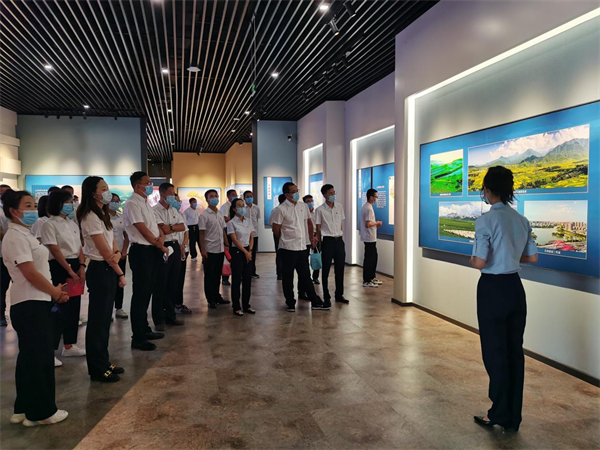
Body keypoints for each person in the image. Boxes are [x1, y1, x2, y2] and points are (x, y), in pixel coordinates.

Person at [470, 166, 538, 433]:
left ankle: (498, 412)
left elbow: (479, 262)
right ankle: (513, 417)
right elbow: (532, 257)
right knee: (514, 352)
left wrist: (473, 258)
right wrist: (508, 254)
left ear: (487, 190)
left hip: (492, 289)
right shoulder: (522, 220)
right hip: (515, 289)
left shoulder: (485, 221)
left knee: (494, 352)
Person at [2, 190, 69, 426]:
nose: (33, 209)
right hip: (30, 303)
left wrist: (51, 291)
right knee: (40, 359)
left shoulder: (24, 234)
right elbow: (30, 273)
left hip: (35, 301)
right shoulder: (15, 237)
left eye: (33, 205)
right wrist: (55, 293)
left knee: (29, 358)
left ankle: (24, 408)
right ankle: (42, 413)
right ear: (14, 211)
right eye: (27, 205)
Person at [78, 176, 127, 383]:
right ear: (93, 193)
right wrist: (120, 272)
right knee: (98, 321)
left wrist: (117, 254)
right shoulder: (89, 216)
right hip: (100, 269)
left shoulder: (102, 214)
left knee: (105, 320)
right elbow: (104, 250)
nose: (107, 192)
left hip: (108, 266)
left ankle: (104, 361)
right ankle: (97, 368)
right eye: (103, 189)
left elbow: (112, 242)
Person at [123, 172, 168, 351]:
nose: (150, 185)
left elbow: (157, 226)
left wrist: (161, 239)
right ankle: (138, 337)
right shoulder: (132, 204)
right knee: (140, 295)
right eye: (147, 183)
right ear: (138, 186)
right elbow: (141, 229)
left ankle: (145, 329)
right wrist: (158, 244)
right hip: (142, 252)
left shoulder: (145, 203)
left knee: (148, 291)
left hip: (152, 250)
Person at [41, 190, 86, 365]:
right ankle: (50, 350)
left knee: (74, 307)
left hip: (75, 264)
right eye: (67, 202)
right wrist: (69, 271)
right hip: (59, 267)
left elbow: (80, 247)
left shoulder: (72, 223)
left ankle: (69, 345)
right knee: (59, 309)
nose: (70, 205)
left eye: (71, 202)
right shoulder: (49, 224)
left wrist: (81, 266)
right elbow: (54, 250)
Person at [271, 182, 328, 312]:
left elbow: (309, 223)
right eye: (293, 192)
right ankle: (290, 302)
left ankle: (315, 301)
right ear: (287, 194)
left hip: (302, 247)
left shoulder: (303, 206)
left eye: (297, 190)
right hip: (288, 248)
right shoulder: (280, 209)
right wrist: (286, 238)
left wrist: (311, 238)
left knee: (305, 275)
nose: (296, 193)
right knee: (288, 276)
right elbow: (276, 229)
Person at [152, 183, 185, 330]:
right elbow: (162, 230)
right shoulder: (154, 210)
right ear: (163, 194)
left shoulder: (174, 210)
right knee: (160, 283)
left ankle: (171, 315)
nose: (173, 196)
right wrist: (172, 228)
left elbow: (182, 226)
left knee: (173, 282)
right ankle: (159, 319)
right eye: (171, 193)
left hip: (175, 247)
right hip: (162, 248)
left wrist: (170, 227)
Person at [316, 184, 348, 306]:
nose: (333, 195)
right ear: (325, 195)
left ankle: (339, 294)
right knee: (326, 270)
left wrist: (340, 237)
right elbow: (318, 228)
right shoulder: (320, 210)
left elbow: (340, 224)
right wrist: (320, 244)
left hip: (339, 241)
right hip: (327, 241)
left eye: (334, 192)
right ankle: (326, 296)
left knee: (340, 269)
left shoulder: (339, 207)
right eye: (331, 193)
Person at [199, 189, 230, 309]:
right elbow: (201, 234)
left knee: (217, 275)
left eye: (216, 196)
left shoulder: (220, 213)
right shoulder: (204, 215)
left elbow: (223, 230)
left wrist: (226, 244)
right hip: (209, 249)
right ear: (207, 200)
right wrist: (203, 250)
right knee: (209, 276)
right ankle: (210, 299)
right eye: (211, 196)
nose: (214, 198)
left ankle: (217, 296)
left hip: (220, 249)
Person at [227, 198, 256, 316]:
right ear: (234, 209)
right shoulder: (231, 223)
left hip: (248, 251)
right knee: (236, 279)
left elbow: (252, 237)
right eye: (239, 206)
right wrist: (245, 252)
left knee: (247, 279)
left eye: (243, 205)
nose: (242, 208)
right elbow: (234, 240)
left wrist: (250, 251)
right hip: (237, 252)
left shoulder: (248, 221)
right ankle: (236, 306)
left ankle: (246, 305)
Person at [108, 193, 129, 319]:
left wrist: (124, 251)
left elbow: (126, 236)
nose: (115, 203)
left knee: (120, 281)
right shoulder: (103, 218)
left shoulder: (121, 217)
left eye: (117, 201)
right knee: (109, 283)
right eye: (113, 201)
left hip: (120, 255)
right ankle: (108, 309)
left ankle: (119, 307)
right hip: (108, 256)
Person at [172, 194, 192, 314]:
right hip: (173, 250)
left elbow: (186, 231)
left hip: (183, 250)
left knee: (180, 278)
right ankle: (170, 305)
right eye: (176, 200)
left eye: (179, 200)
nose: (178, 202)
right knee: (172, 279)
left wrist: (184, 245)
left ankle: (178, 303)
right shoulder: (166, 214)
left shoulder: (181, 214)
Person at [360, 189, 383, 288]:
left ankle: (371, 277)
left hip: (371, 237)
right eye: (375, 197)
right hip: (369, 237)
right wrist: (377, 223)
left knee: (373, 257)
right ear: (371, 197)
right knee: (369, 259)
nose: (376, 199)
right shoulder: (368, 208)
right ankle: (367, 280)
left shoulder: (367, 207)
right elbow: (368, 224)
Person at [0, 184, 13, 326]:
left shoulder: (15, 211)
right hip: (2, 256)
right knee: (2, 286)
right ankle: (1, 315)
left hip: (15, 256)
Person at [220, 189, 237, 286]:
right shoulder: (225, 207)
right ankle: (225, 277)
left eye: (236, 194)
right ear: (228, 196)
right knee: (228, 255)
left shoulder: (237, 205)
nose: (235, 196)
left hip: (236, 231)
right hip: (227, 231)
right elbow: (224, 219)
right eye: (233, 195)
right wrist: (234, 215)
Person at [243, 190, 261, 279]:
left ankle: (252, 272)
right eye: (247, 196)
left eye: (251, 196)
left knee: (253, 254)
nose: (249, 198)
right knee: (245, 253)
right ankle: (244, 273)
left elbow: (257, 219)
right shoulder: (243, 208)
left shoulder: (256, 208)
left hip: (254, 234)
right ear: (244, 198)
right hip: (244, 234)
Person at [269, 193, 286, 280]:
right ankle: (280, 273)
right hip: (278, 234)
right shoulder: (276, 210)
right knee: (279, 253)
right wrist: (279, 235)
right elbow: (272, 224)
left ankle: (285, 272)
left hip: (287, 235)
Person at [304, 195, 320, 285]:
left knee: (317, 257)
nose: (310, 203)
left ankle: (315, 277)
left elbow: (319, 226)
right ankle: (307, 277)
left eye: (311, 201)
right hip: (306, 237)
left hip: (315, 236)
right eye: (308, 201)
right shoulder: (303, 214)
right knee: (305, 258)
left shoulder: (316, 213)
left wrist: (316, 237)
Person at [183, 197, 201, 261]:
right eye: (194, 202)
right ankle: (193, 256)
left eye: (196, 202)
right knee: (192, 242)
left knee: (200, 241)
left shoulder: (198, 210)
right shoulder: (187, 211)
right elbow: (185, 220)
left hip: (197, 226)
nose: (195, 203)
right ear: (190, 203)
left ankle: (202, 254)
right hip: (191, 227)